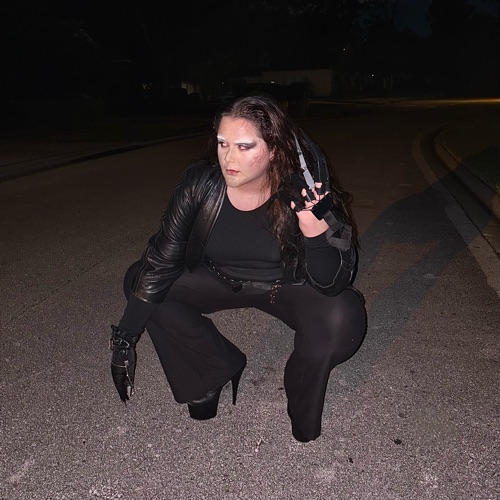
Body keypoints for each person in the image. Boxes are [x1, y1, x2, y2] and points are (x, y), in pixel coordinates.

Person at [110, 94, 367, 443]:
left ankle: (300, 393)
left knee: (343, 315)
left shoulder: (302, 190)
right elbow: (161, 261)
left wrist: (312, 224)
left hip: (283, 287)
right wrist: (125, 340)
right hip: (218, 279)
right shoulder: (201, 183)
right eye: (223, 143)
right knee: (139, 280)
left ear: (273, 150)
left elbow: (331, 283)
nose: (229, 158)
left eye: (245, 146)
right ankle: (211, 371)